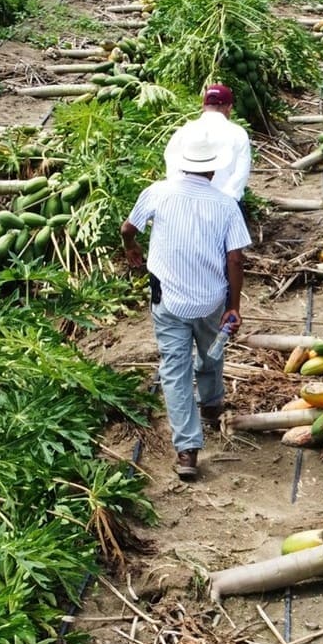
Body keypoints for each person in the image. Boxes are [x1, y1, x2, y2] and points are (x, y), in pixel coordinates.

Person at [122, 131, 251, 482]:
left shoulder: (157, 192)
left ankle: (188, 450)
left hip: (169, 299)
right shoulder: (226, 204)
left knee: (175, 370)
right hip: (211, 299)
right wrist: (234, 305)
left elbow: (128, 228)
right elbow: (235, 259)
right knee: (210, 350)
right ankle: (210, 404)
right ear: (213, 169)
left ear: (181, 164)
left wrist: (131, 247)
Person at [163, 84, 252, 204]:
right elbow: (241, 172)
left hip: (185, 199)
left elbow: (171, 162)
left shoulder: (185, 130)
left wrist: (180, 192)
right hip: (225, 200)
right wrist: (228, 199)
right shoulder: (238, 133)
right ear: (229, 108)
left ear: (203, 106)